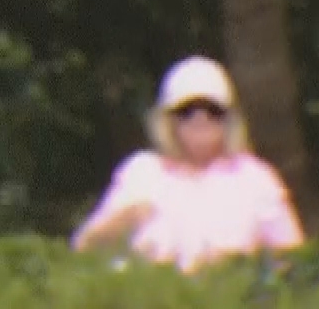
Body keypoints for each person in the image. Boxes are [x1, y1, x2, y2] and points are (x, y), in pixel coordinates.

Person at [72, 55, 304, 273]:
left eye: (212, 110)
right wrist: (123, 221)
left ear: (228, 118)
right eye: (187, 111)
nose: (200, 119)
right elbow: (84, 251)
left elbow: (293, 262)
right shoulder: (141, 173)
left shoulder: (256, 180)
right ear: (168, 120)